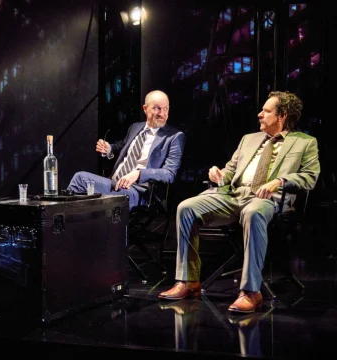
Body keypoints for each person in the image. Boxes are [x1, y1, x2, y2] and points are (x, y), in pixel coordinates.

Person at [159, 91, 320, 313]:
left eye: (266, 111)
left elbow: (310, 177)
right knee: (186, 208)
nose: (260, 114)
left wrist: (280, 181)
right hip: (233, 195)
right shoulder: (249, 139)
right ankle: (187, 281)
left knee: (253, 212)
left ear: (282, 116)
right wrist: (220, 175)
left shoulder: (304, 143)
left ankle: (251, 291)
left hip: (268, 199)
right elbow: (230, 170)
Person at [67, 90, 186, 210]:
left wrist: (139, 174)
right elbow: (121, 145)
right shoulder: (135, 127)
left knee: (94, 191)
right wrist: (109, 149)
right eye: (157, 108)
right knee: (80, 181)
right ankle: (68, 225)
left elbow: (170, 174)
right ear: (145, 108)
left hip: (139, 190)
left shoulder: (174, 136)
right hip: (114, 182)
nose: (162, 113)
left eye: (165, 108)